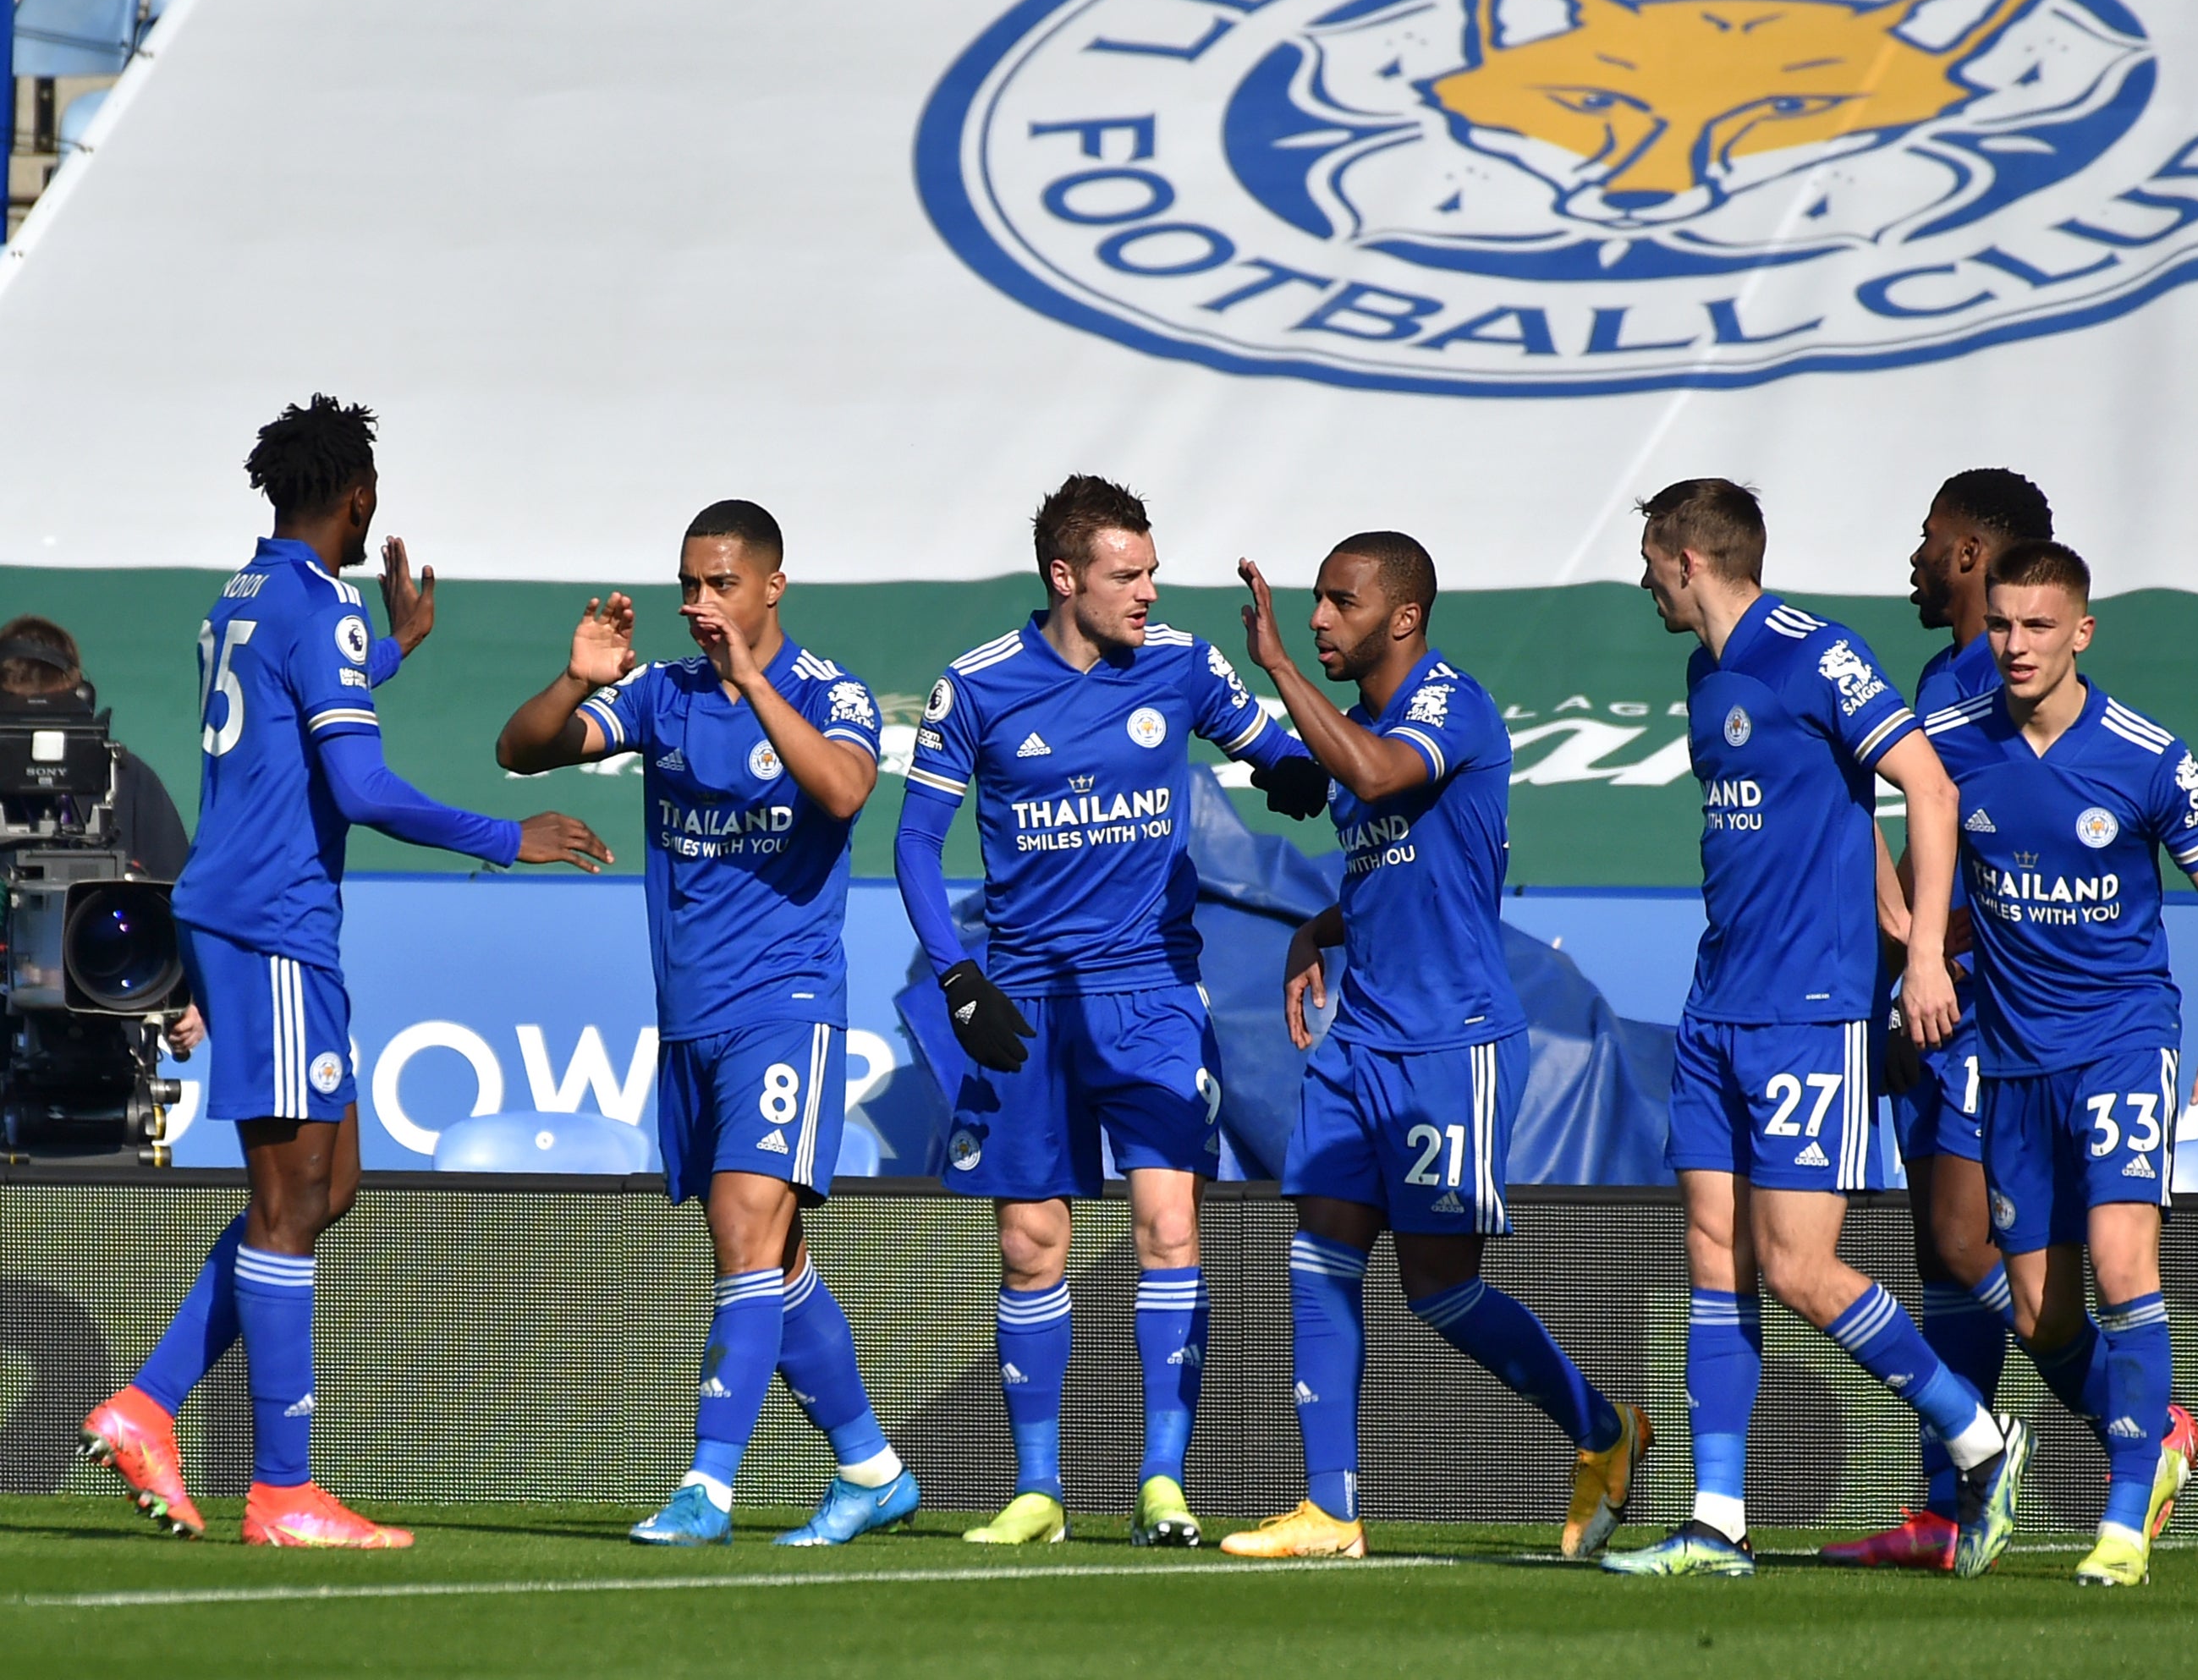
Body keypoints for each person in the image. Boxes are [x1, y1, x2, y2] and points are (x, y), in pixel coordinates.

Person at [77, 395, 608, 1547]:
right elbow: (360, 788)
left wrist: (397, 648)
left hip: (262, 916)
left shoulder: (246, 594)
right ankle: (282, 1491)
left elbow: (298, 711)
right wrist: (511, 836)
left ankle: (144, 1404)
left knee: (329, 1187)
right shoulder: (315, 611)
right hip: (269, 919)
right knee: (286, 1203)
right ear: (359, 496)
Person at [1602, 478, 2029, 1581]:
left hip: (1806, 1015)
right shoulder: (1704, 675)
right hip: (1715, 1009)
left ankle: (1982, 1444)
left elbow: (1925, 792)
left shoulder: (1815, 652)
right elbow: (1848, 838)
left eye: (1648, 559)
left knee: (1796, 1266)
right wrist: (1891, 909)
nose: (1643, 580)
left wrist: (1921, 957)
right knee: (1713, 1257)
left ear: (1683, 558)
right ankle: (1716, 1521)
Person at [893, 474, 1326, 1547]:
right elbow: (912, 843)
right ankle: (1039, 1489)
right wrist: (957, 976)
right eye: (1126, 575)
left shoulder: (1180, 662)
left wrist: (1296, 771)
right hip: (1026, 1000)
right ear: (1064, 576)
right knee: (1033, 1244)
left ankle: (1161, 1483)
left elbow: (1274, 753)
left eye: (1151, 571)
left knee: (1170, 1225)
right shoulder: (979, 686)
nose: (1146, 592)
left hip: (1153, 996)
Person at [497, 498, 920, 1548]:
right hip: (689, 1016)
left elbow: (843, 789)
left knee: (744, 1226)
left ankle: (707, 1486)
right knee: (771, 1258)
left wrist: (756, 684)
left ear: (772, 586)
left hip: (788, 1003)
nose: (699, 605)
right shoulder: (664, 695)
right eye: (688, 584)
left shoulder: (829, 693)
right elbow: (521, 749)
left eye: (720, 584)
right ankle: (872, 1468)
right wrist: (578, 681)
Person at [1218, 535, 1650, 1562]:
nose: (1320, 618)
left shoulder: (1450, 705)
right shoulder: (1357, 721)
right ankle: (1330, 1507)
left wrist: (1276, 666)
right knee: (1318, 1252)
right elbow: (1389, 866)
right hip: (1358, 1033)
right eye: (1314, 603)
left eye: (1340, 601)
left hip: (1448, 1042)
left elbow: (1373, 782)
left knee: (1439, 1288)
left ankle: (1604, 1426)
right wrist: (1316, 928)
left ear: (1402, 615)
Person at [1828, 472, 2198, 1567]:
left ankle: (2130, 1427)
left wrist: (1930, 963)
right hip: (1942, 1008)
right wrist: (1898, 944)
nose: (1913, 555)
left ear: (1969, 551)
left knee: (1960, 1242)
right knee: (1940, 1258)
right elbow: (1931, 850)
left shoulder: (2000, 689)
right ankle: (1949, 1506)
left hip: (2004, 1025)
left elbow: (2010, 862)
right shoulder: (1945, 680)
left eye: (1929, 537)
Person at [1921, 540, 2198, 1587]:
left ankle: (2122, 1523)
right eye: (2005, 624)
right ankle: (2158, 1436)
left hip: (2122, 1039)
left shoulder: (2146, 755)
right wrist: (1921, 951)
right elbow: (1904, 849)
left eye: (2038, 626)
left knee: (2123, 1270)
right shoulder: (1951, 746)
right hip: (2013, 1062)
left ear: (2082, 632)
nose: (2015, 644)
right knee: (2042, 1316)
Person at [1, 615, 207, 1058]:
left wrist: (194, 997)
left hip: (112, 1035)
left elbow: (185, 901)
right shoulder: (128, 776)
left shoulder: (121, 779)